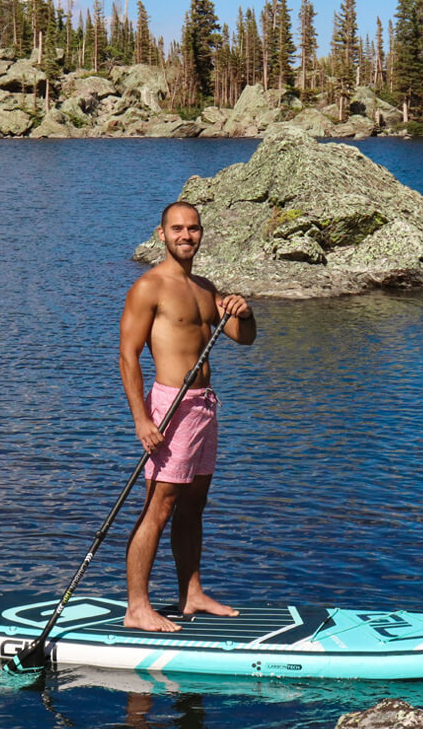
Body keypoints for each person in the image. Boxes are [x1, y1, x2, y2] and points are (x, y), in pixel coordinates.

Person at [118, 201, 256, 632]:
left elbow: (243, 338)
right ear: (161, 234)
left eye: (193, 228)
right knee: (159, 504)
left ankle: (190, 594)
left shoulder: (204, 287)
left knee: (193, 505)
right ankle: (137, 606)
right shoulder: (149, 286)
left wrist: (245, 312)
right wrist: (142, 420)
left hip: (203, 406)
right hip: (169, 407)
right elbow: (127, 356)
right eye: (177, 229)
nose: (186, 235)